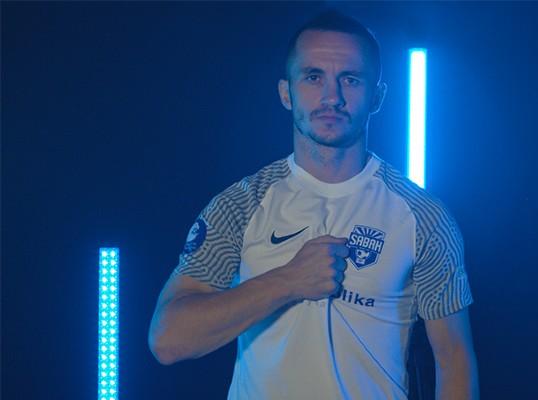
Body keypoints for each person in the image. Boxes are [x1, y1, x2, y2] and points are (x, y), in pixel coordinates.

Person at [149, 10, 479, 400]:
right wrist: (288, 281)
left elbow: (454, 360)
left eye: (350, 79)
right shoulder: (241, 205)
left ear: (377, 97)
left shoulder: (424, 217)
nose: (332, 97)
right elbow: (168, 339)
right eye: (313, 77)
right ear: (286, 92)